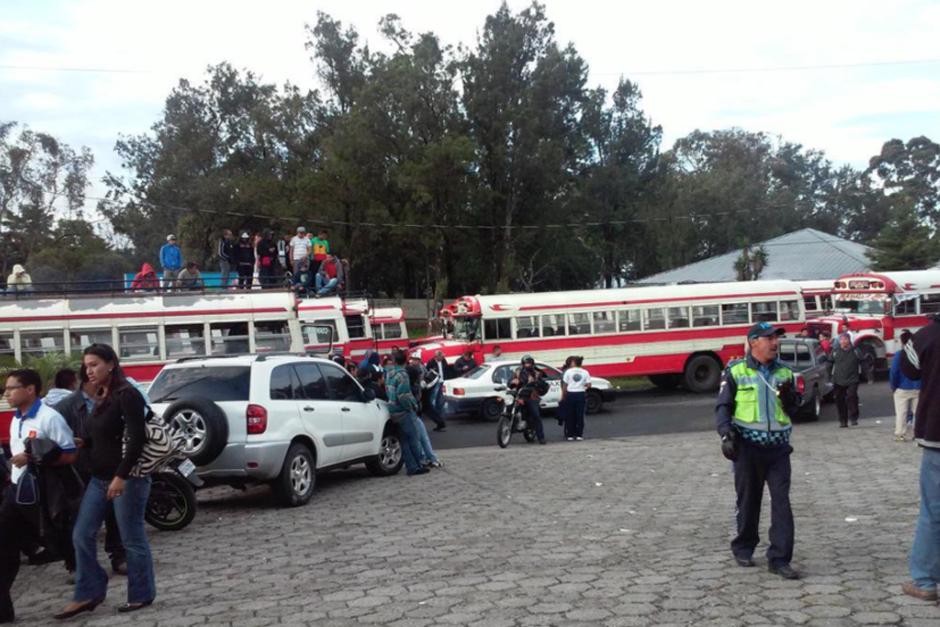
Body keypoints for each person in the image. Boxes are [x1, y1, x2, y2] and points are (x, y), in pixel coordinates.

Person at [56, 344, 156, 619]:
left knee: (131, 538)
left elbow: (136, 439)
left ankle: (141, 594)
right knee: (81, 534)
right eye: (86, 366)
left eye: (94, 364)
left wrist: (121, 477)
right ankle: (89, 591)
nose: (89, 371)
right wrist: (85, 442)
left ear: (111, 364)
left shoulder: (127, 394)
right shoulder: (102, 394)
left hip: (127, 479)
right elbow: (106, 435)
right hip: (99, 479)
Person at [716, 321, 801, 580]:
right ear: (754, 342)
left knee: (782, 503)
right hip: (747, 449)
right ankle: (744, 547)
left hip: (778, 450)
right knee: (748, 501)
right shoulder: (736, 371)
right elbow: (723, 407)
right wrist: (726, 434)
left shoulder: (785, 372)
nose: (775, 343)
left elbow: (793, 409)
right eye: (769, 338)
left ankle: (779, 558)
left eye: (776, 338)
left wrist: (791, 400)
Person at [1, 369, 78, 624]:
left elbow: (69, 453)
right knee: (4, 546)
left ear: (30, 389)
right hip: (16, 492)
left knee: (60, 539)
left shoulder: (49, 418)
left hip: (42, 495)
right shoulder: (16, 418)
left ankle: (84, 577)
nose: (7, 394)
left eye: (12, 388)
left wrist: (34, 457)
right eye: (6, 389)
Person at [53, 367, 127, 578]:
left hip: (110, 466)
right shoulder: (66, 407)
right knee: (79, 521)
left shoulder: (113, 400)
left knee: (115, 514)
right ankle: (79, 565)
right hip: (79, 470)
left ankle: (119, 556)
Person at [899, 313, 940, 602]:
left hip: (936, 435)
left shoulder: (927, 336)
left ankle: (924, 581)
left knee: (933, 512)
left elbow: (909, 370)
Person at [385, 351, 429, 477]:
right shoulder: (403, 375)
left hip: (393, 409)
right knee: (414, 438)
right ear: (406, 361)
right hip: (403, 411)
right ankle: (417, 465)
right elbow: (403, 395)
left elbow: (388, 390)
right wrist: (413, 405)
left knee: (403, 440)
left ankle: (411, 466)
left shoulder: (389, 373)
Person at [406, 356, 443, 469]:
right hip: (413, 412)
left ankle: (424, 458)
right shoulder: (415, 386)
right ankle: (429, 458)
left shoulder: (408, 385)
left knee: (415, 438)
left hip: (408, 413)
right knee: (422, 436)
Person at [891, 330, 920, 442]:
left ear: (902, 342)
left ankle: (900, 434)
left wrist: (894, 386)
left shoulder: (899, 355)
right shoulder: (919, 353)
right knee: (918, 412)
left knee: (901, 412)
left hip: (902, 388)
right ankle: (918, 434)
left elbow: (894, 372)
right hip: (918, 387)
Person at [510, 355, 547, 445]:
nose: (527, 365)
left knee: (536, 415)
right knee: (509, 408)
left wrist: (535, 381)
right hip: (519, 395)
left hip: (532, 396)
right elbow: (511, 381)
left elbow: (542, 383)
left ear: (532, 364)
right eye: (526, 363)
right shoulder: (518, 371)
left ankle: (541, 437)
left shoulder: (537, 372)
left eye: (529, 363)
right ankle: (511, 425)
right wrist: (512, 382)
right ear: (523, 364)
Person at [829, 333, 862, 427]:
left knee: (852, 396)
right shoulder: (835, 351)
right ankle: (843, 420)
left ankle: (853, 417)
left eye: (845, 339)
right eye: (841, 340)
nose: (843, 342)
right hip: (838, 379)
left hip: (853, 378)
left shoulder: (856, 351)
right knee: (839, 400)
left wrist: (868, 376)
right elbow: (829, 363)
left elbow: (863, 362)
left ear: (849, 340)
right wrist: (829, 377)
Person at [562, 356, 591, 441]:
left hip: (570, 394)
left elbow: (565, 385)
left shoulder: (568, 371)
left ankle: (570, 435)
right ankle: (579, 435)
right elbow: (589, 385)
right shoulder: (585, 372)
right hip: (580, 394)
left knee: (570, 415)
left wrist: (563, 395)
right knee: (580, 415)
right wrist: (583, 387)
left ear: (574, 362)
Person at [424, 351, 449, 432]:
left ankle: (439, 414)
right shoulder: (431, 362)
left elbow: (446, 369)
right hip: (435, 383)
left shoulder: (443, 361)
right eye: (441, 356)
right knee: (433, 398)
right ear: (437, 356)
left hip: (442, 381)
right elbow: (428, 371)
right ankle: (434, 413)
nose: (442, 358)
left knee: (440, 399)